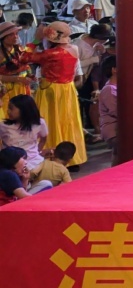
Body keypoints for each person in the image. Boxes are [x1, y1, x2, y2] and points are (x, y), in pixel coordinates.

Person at [21, 23, 84, 167]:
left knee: (50, 122)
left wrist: (35, 40)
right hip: (68, 89)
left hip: (51, 90)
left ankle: (51, 156)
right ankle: (70, 158)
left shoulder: (51, 54)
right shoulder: (74, 49)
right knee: (68, 122)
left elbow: (24, 57)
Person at [1, 94, 48, 175]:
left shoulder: (39, 123)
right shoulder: (3, 126)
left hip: (33, 161)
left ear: (24, 110)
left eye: (11, 108)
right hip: (11, 165)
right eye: (8, 108)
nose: (8, 111)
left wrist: (37, 151)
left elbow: (43, 139)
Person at [0, 22, 31, 105]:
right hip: (7, 90)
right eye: (11, 35)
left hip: (22, 86)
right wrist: (17, 79)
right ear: (3, 37)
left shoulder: (19, 48)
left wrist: (30, 75)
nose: (16, 36)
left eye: (16, 34)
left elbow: (26, 64)